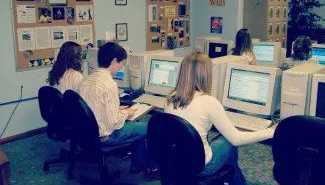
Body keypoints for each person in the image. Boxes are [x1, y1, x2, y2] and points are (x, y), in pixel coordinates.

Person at [165, 52, 277, 184]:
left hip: (175, 160)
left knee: (218, 142)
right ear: (206, 75)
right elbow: (237, 139)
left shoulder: (170, 97)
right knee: (228, 142)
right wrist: (270, 132)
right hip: (202, 166)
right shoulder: (208, 102)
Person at [78, 42, 158, 175]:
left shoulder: (86, 80)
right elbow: (114, 123)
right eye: (122, 63)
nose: (122, 67)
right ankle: (152, 167)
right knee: (151, 127)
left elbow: (92, 108)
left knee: (138, 126)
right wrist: (126, 112)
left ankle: (138, 163)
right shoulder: (109, 84)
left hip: (87, 133)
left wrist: (115, 108)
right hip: (106, 135)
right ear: (114, 60)